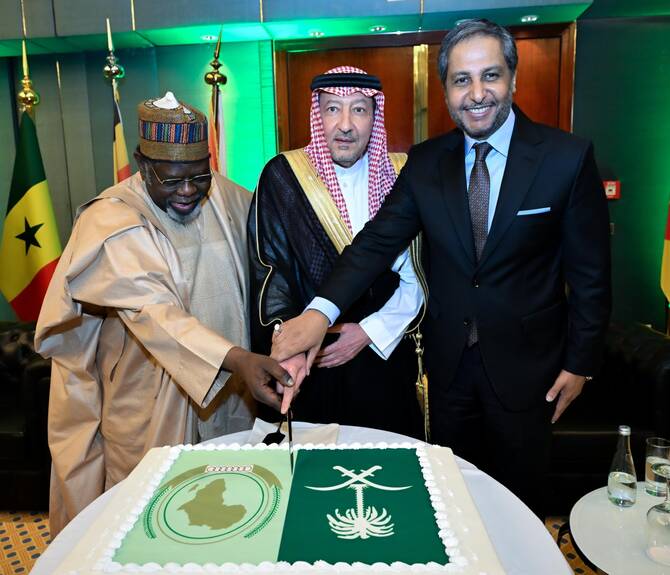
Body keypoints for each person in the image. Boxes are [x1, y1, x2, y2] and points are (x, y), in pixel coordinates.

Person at [271, 21, 611, 517]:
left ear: (513, 78)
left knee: (519, 506)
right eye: (460, 80)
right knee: (453, 505)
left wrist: (580, 364)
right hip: (447, 371)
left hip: (528, 372)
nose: (476, 94)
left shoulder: (566, 158)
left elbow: (591, 276)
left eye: (490, 75)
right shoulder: (427, 162)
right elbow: (376, 242)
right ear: (446, 90)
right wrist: (319, 314)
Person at [35, 92, 289, 535]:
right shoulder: (110, 220)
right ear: (141, 162)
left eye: (199, 176)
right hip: (149, 403)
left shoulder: (229, 198)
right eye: (171, 181)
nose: (188, 191)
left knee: (232, 511)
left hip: (231, 394)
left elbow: (273, 267)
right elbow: (155, 312)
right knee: (149, 522)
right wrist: (239, 359)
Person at [249, 66, 425, 437]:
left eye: (359, 109)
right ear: (318, 114)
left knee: (387, 458)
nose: (345, 125)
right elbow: (270, 272)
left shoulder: (404, 173)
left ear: (375, 116)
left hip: (384, 351)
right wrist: (290, 347)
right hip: (311, 363)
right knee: (314, 462)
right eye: (332, 109)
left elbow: (422, 272)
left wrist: (370, 331)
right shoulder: (284, 176)